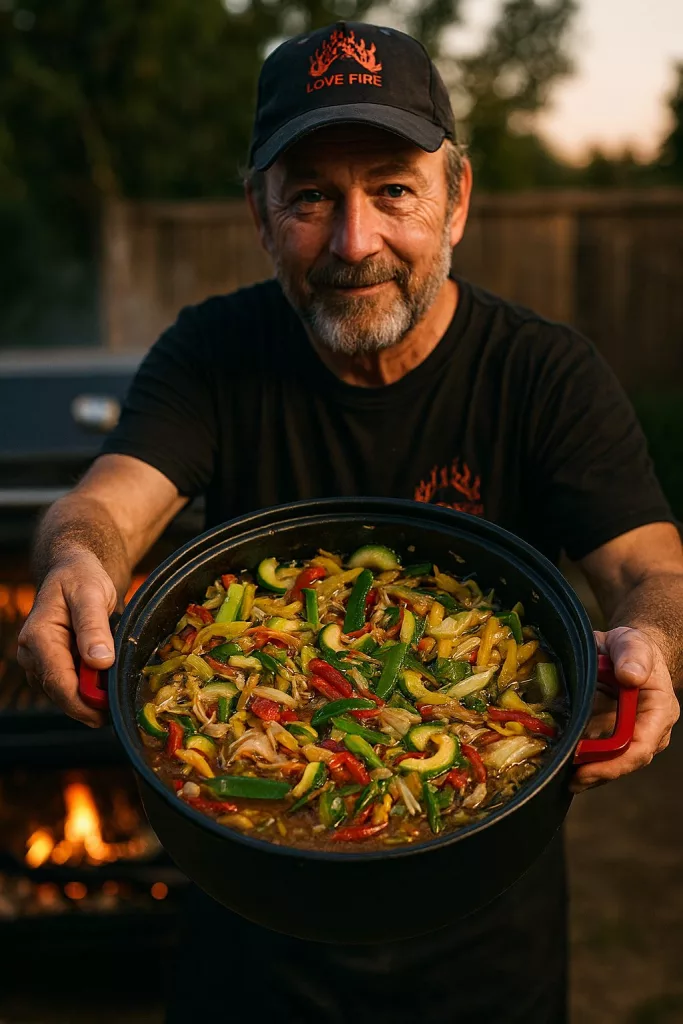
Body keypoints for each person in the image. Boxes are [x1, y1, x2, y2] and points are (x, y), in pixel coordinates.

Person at [18, 21, 682, 1024]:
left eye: (391, 189)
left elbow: (650, 567)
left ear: (455, 200)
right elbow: (105, 505)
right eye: (312, 197)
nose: (352, 240)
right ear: (260, 213)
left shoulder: (544, 374)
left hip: (484, 940)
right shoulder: (210, 353)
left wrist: (652, 637)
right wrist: (75, 562)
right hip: (252, 933)